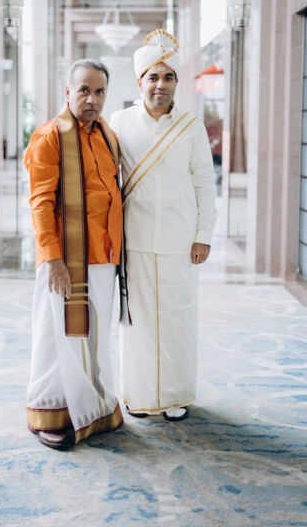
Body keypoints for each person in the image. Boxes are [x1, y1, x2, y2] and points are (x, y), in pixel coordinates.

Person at [110, 29, 217, 422]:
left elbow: (205, 183)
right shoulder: (119, 122)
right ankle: (138, 395)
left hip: (180, 240)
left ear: (176, 82)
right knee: (137, 322)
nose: (160, 84)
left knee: (177, 318)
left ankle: (174, 396)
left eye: (168, 77)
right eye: (153, 77)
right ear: (140, 82)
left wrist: (204, 236)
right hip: (135, 240)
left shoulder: (191, 126)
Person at [23, 59, 128, 449]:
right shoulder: (49, 137)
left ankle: (89, 408)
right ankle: (48, 411)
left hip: (103, 255)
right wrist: (53, 260)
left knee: (91, 337)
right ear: (68, 91)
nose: (92, 99)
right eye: (84, 90)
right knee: (56, 337)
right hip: (66, 259)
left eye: (99, 91)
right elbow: (40, 203)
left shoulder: (107, 134)